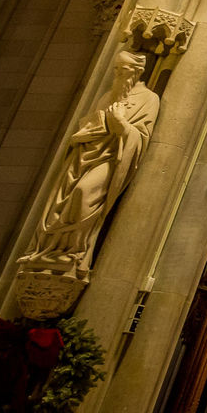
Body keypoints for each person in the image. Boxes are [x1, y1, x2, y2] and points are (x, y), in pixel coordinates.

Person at [20, 51, 161, 277]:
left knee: (83, 193)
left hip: (112, 157)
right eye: (116, 70)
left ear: (136, 72)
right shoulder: (107, 97)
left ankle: (75, 250)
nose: (117, 74)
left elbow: (140, 137)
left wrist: (121, 124)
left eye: (122, 70)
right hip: (84, 157)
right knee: (62, 197)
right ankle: (51, 249)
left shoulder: (149, 99)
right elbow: (89, 125)